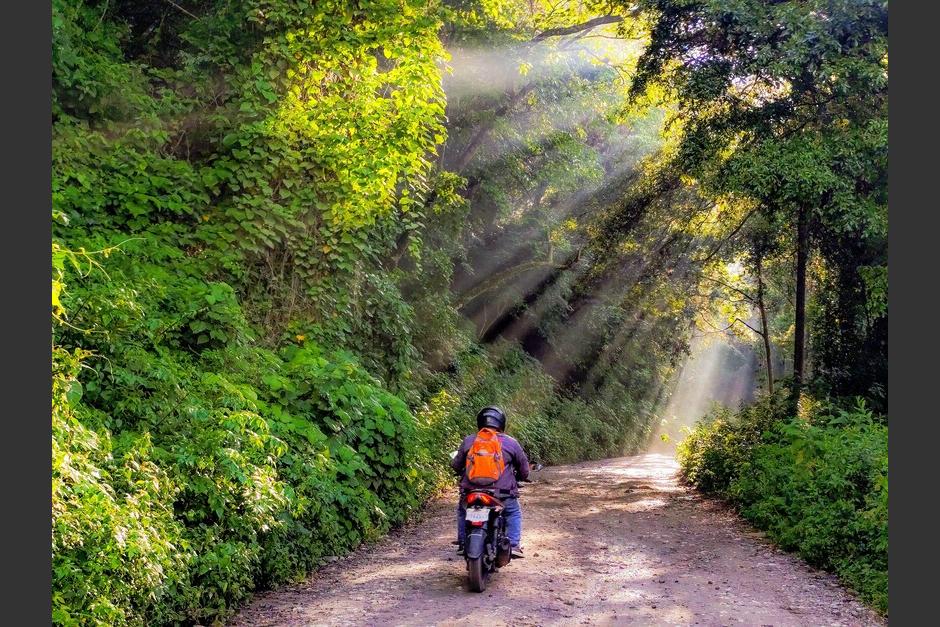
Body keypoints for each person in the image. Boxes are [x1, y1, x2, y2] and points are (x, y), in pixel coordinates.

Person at [451, 406, 530, 557]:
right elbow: (524, 469)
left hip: (471, 492)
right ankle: (513, 545)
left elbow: (456, 465)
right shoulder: (511, 443)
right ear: (501, 423)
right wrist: (522, 476)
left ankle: (462, 542)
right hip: (502, 493)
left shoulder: (469, 441)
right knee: (513, 512)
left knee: (463, 511)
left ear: (480, 422)